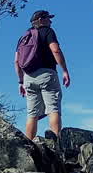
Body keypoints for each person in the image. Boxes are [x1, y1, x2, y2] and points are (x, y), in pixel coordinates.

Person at [15, 9, 71, 141]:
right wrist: (65, 70)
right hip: (47, 74)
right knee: (53, 109)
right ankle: (57, 144)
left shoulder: (24, 37)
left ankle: (28, 147)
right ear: (40, 20)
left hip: (28, 78)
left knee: (32, 114)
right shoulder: (47, 31)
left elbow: (16, 61)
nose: (50, 21)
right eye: (48, 18)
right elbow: (55, 50)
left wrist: (21, 81)